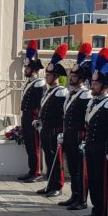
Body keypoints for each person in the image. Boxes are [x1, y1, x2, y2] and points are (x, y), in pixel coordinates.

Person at [80, 48, 108, 216]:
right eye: (92, 83)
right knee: (93, 180)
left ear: (104, 86)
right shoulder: (93, 101)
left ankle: (102, 213)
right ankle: (95, 209)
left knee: (101, 182)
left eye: (95, 84)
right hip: (91, 146)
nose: (92, 86)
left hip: (102, 148)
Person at [58, 42, 93, 210]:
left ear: (82, 79)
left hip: (79, 136)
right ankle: (74, 195)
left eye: (74, 76)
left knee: (80, 169)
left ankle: (82, 200)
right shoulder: (73, 93)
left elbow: (87, 118)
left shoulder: (86, 95)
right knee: (72, 167)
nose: (71, 78)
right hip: (70, 135)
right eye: (71, 75)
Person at [34, 44, 68, 197]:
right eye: (46, 74)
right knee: (48, 157)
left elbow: (62, 113)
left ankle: (58, 186)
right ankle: (50, 184)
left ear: (55, 77)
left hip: (55, 129)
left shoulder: (61, 92)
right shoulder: (50, 91)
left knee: (56, 159)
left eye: (48, 75)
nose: (46, 77)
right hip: (46, 128)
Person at [17, 40, 45, 183]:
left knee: (34, 146)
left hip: (34, 118)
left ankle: (37, 172)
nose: (25, 70)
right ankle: (31, 170)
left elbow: (41, 103)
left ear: (33, 69)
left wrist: (39, 119)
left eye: (27, 68)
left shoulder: (39, 83)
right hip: (27, 117)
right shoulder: (29, 82)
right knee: (29, 145)